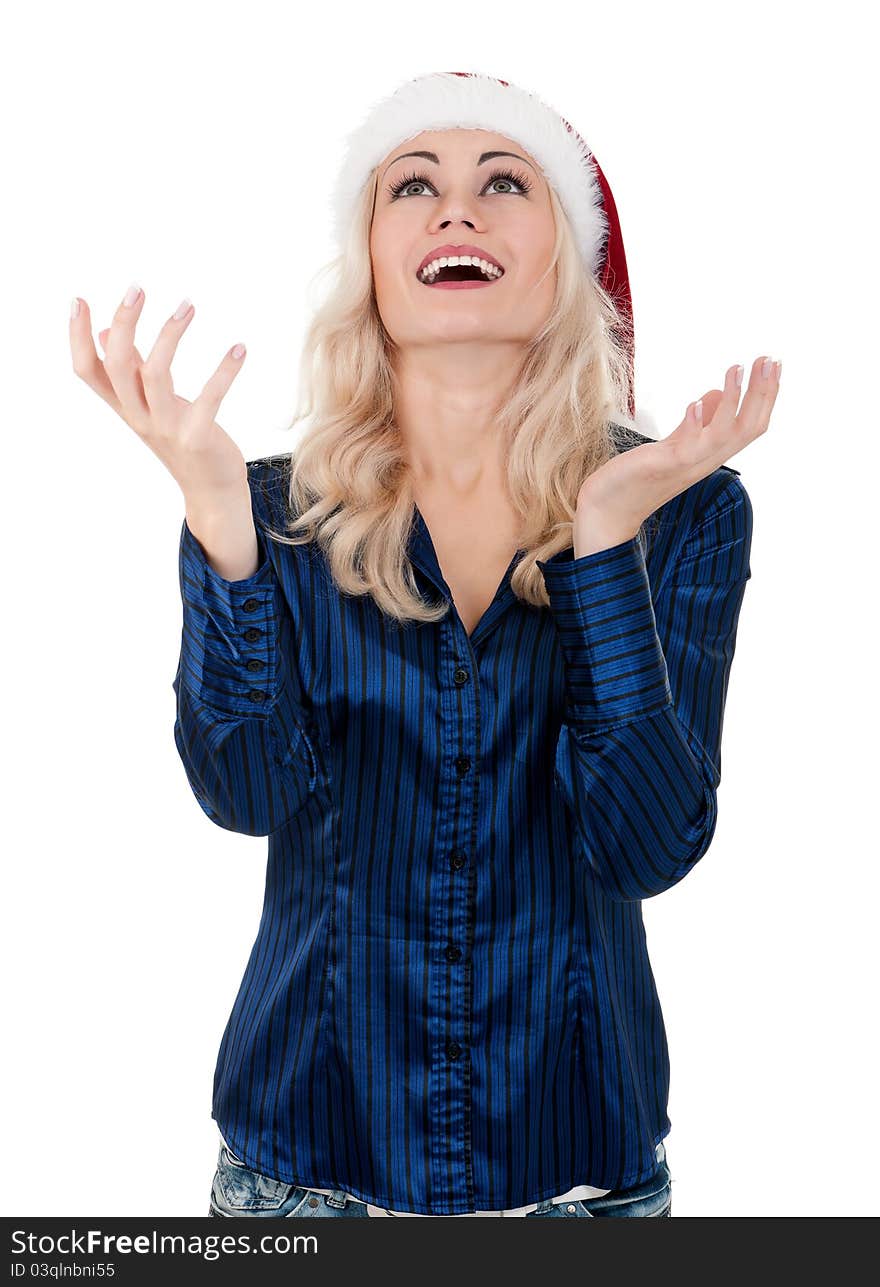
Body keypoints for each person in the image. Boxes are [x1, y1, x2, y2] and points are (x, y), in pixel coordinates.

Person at [69, 70, 780, 1219]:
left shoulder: (683, 511)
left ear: (567, 259)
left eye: (505, 182)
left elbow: (645, 846)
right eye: (414, 185)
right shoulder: (264, 514)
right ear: (372, 264)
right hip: (300, 1179)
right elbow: (245, 795)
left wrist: (602, 542)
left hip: (576, 1182)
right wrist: (218, 527)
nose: (458, 211)